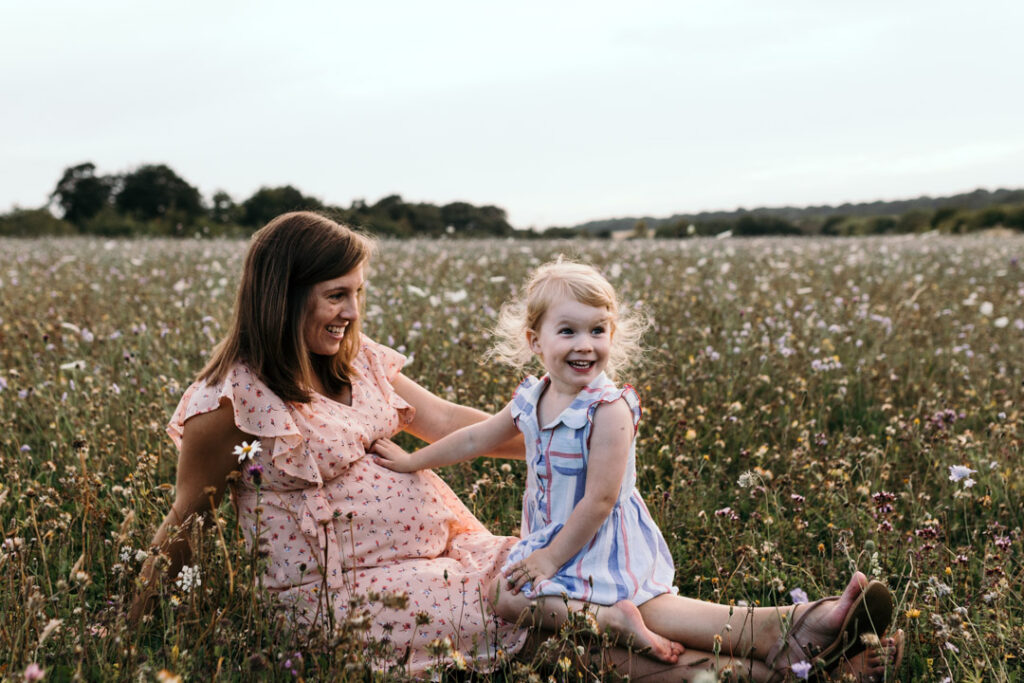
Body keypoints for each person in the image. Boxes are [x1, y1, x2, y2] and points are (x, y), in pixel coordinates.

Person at [131, 214, 899, 681]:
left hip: (449, 549)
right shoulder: (229, 407)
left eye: (358, 293)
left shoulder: (357, 364)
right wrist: (137, 620)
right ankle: (779, 664)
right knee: (538, 621)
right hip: (352, 597)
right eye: (337, 294)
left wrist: (577, 441)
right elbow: (186, 516)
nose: (351, 312)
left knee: (570, 583)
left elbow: (445, 426)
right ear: (284, 294)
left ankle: (786, 634)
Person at [372, 260, 902, 680]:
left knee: (599, 601)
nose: (585, 344)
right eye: (568, 331)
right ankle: (800, 641)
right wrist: (412, 459)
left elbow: (601, 500)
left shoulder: (610, 408)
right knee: (514, 599)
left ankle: (805, 629)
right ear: (536, 341)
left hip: (602, 540)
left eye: (598, 330)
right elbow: (472, 437)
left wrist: (546, 560)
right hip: (554, 539)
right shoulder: (532, 397)